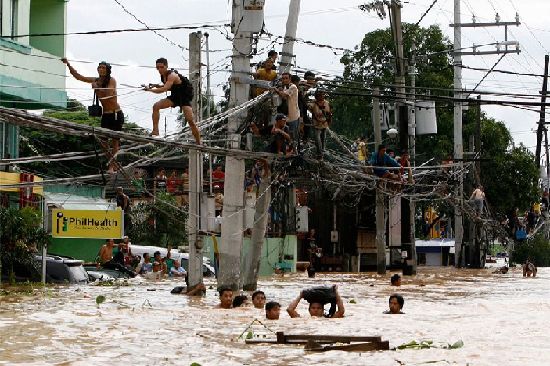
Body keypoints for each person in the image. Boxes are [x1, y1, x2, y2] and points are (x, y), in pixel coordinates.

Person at [62, 58, 123, 172]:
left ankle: (112, 166)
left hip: (116, 114)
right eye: (99, 67)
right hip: (105, 115)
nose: (101, 69)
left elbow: (108, 94)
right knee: (103, 142)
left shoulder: (111, 80)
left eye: (103, 67)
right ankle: (111, 162)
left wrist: (96, 87)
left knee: (115, 141)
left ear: (108, 70)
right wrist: (68, 65)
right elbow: (79, 77)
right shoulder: (96, 80)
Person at [143, 57, 200, 143]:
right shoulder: (163, 76)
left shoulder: (172, 75)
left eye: (161, 67)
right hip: (175, 96)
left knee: (191, 121)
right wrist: (156, 86)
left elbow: (165, 89)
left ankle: (199, 142)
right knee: (156, 106)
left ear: (166, 66)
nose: (159, 70)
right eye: (157, 68)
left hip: (184, 97)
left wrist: (150, 90)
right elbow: (169, 87)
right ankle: (155, 131)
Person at [273, 73, 300, 152]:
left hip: (293, 116)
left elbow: (283, 94)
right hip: (287, 117)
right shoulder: (286, 87)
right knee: (286, 135)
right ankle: (288, 150)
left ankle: (294, 151)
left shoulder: (293, 87)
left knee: (293, 135)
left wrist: (276, 90)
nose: (284, 80)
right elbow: (284, 96)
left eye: (286, 78)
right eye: (283, 78)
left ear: (290, 79)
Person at [308, 90, 332, 159]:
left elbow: (330, 114)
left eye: (322, 95)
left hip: (324, 123)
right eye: (320, 95)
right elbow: (309, 107)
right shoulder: (313, 103)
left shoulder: (327, 103)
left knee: (323, 139)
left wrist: (329, 121)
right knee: (317, 139)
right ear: (316, 96)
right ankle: (319, 153)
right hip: (317, 124)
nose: (321, 96)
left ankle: (322, 152)